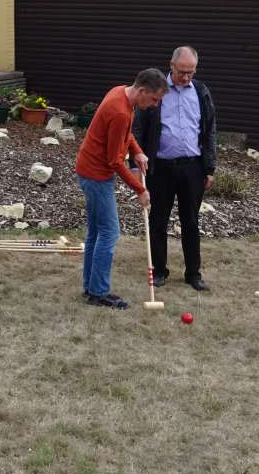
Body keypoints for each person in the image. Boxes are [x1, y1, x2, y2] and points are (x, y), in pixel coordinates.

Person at [74, 69, 168, 309]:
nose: (155, 105)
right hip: (96, 176)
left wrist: (137, 151)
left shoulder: (120, 93)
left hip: (89, 170)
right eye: (155, 99)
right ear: (143, 91)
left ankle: (91, 288)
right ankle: (99, 292)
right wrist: (140, 189)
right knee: (109, 232)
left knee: (97, 232)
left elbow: (125, 135)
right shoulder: (119, 111)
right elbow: (114, 160)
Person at [132, 46, 217, 291]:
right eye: (182, 72)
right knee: (158, 220)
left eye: (191, 72)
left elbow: (210, 130)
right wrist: (136, 164)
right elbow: (137, 128)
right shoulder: (157, 91)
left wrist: (209, 168)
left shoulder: (201, 92)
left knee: (190, 221)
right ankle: (159, 270)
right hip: (161, 168)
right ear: (171, 66)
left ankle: (193, 273)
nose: (186, 77)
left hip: (193, 168)